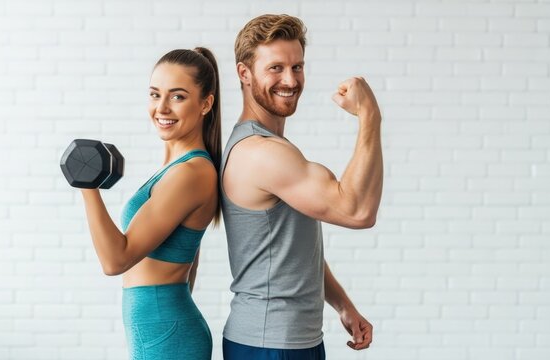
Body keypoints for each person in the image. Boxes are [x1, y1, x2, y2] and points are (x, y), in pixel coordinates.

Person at [220, 14, 382, 359]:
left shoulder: (272, 149)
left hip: (292, 340)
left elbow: (292, 251)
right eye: (275, 68)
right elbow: (358, 211)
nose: (290, 80)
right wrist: (370, 116)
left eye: (297, 67)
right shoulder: (260, 153)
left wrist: (342, 305)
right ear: (244, 74)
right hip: (268, 344)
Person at [79, 47, 221, 360]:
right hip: (162, 328)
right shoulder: (177, 169)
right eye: (155, 94)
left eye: (178, 96)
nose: (162, 108)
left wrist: (87, 186)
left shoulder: (191, 172)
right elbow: (191, 259)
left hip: (167, 334)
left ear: (205, 103)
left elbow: (115, 261)